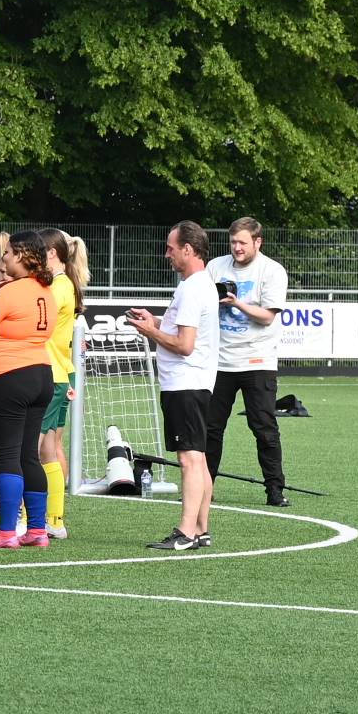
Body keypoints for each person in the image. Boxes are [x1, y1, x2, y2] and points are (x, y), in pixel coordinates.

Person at [130, 222, 220, 550]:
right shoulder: (195, 285)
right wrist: (155, 321)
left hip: (186, 382)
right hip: (190, 382)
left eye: (171, 248)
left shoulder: (194, 287)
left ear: (188, 248)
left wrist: (149, 332)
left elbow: (184, 344)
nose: (166, 254)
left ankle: (186, 532)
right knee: (198, 457)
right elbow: (182, 332)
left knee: (190, 458)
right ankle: (200, 529)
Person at [205, 216, 289, 507]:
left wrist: (236, 302)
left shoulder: (273, 271)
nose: (236, 248)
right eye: (233, 242)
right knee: (211, 428)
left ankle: (275, 491)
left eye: (242, 242)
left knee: (264, 427)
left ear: (258, 242)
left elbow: (268, 317)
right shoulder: (215, 266)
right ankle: (205, 488)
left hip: (258, 362)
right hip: (220, 362)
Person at [0, 238, 57, 548]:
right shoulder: (46, 290)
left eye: (9, 253)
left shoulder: (6, 290)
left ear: (23, 256)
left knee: (6, 455)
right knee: (29, 456)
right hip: (41, 372)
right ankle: (37, 530)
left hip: (8, 375)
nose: (3, 260)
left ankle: (7, 532)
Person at [39, 229, 88, 542]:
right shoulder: (65, 284)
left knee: (38, 448)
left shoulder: (57, 287)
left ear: (52, 254)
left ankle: (38, 516)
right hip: (61, 372)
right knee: (52, 446)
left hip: (52, 373)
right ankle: (53, 516)